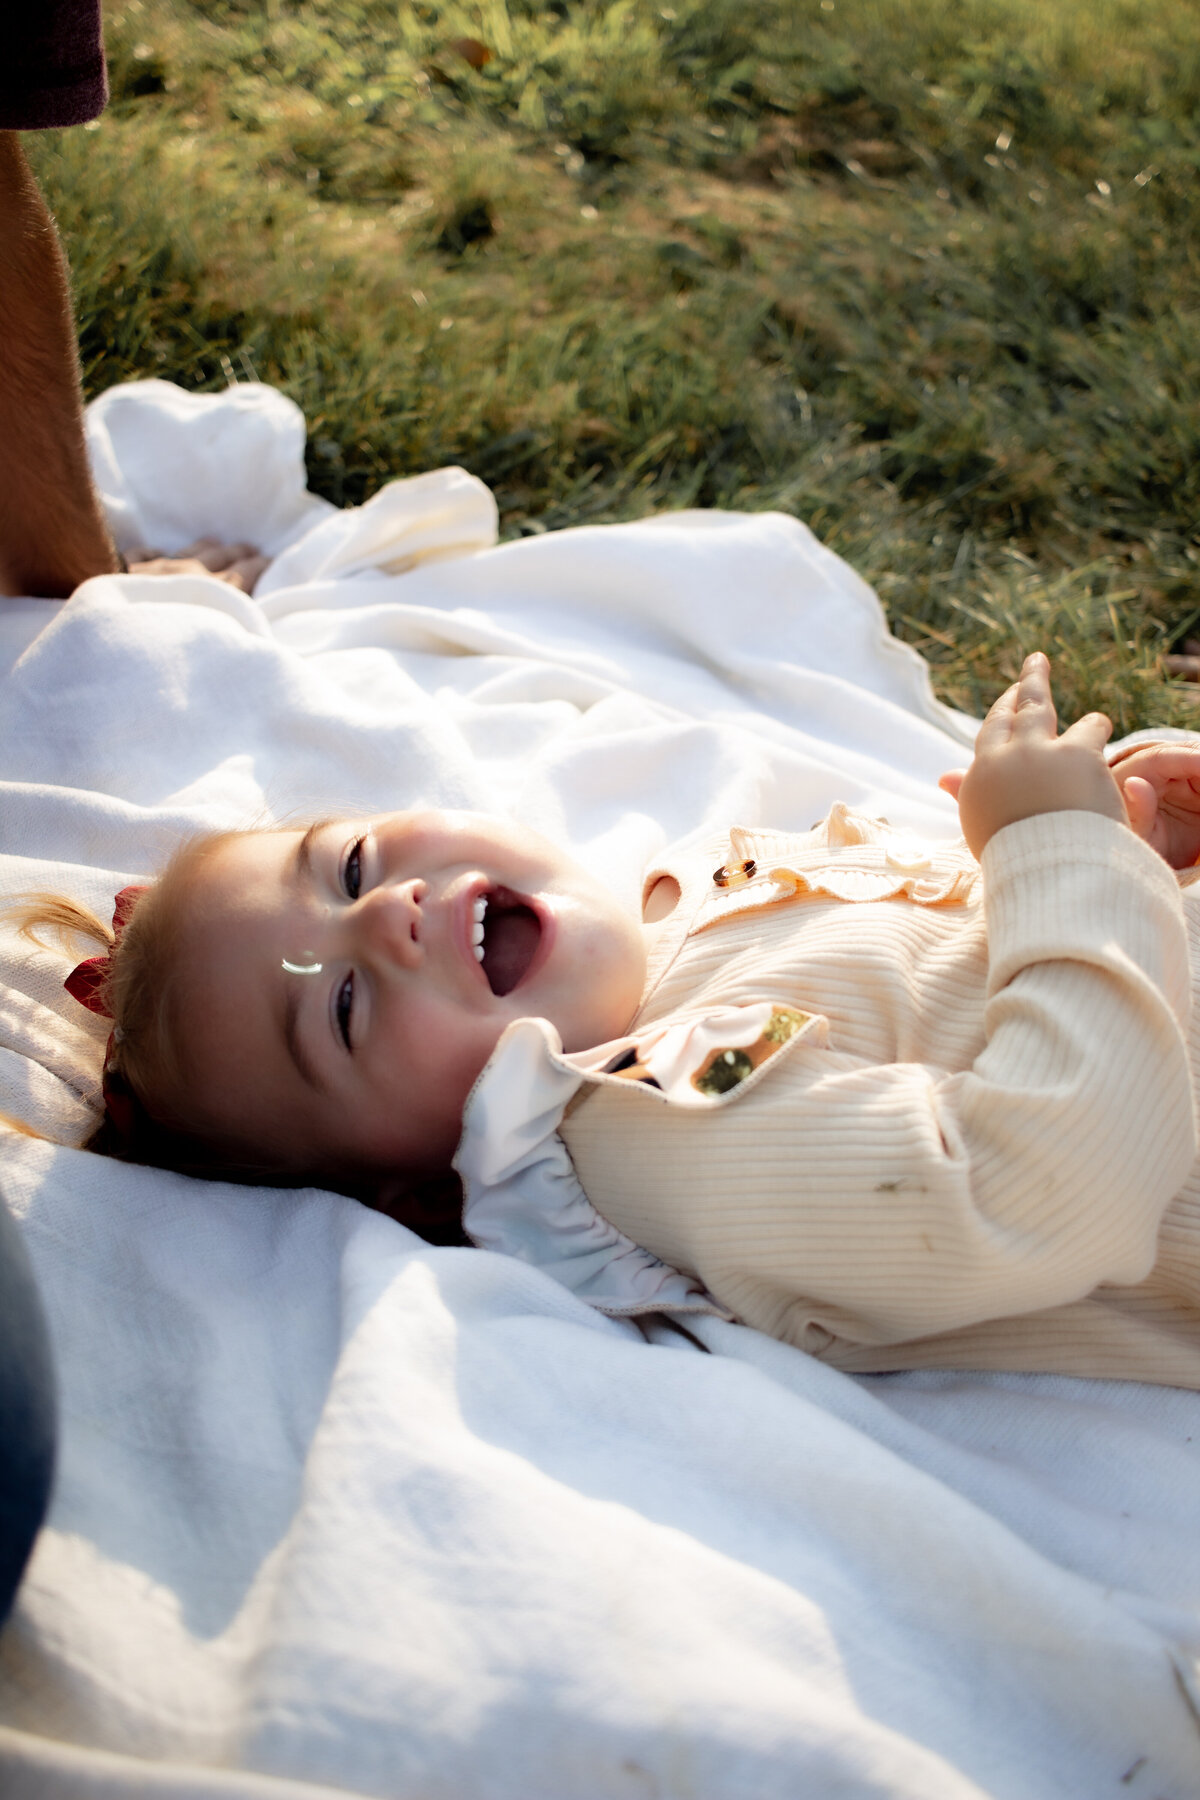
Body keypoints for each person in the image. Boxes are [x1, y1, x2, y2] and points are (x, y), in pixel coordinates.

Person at [21, 653, 1200, 1390]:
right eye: (340, 1008)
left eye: (352, 862)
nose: (390, 913)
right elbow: (1041, 1187)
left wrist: (1131, 855)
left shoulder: (672, 915)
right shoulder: (655, 1110)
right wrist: (1067, 855)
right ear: (424, 1189)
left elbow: (973, 972)